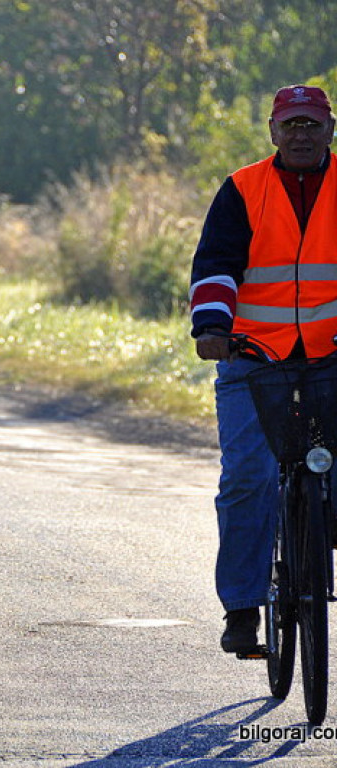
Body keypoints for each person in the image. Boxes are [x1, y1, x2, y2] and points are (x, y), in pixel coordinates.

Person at [190, 84, 337, 653]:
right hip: (253, 355)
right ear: (273, 132)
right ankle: (244, 607)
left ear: (329, 129)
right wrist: (211, 327)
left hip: (330, 355)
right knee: (248, 478)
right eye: (291, 126)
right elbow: (216, 264)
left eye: (311, 125)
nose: (301, 135)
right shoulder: (242, 189)